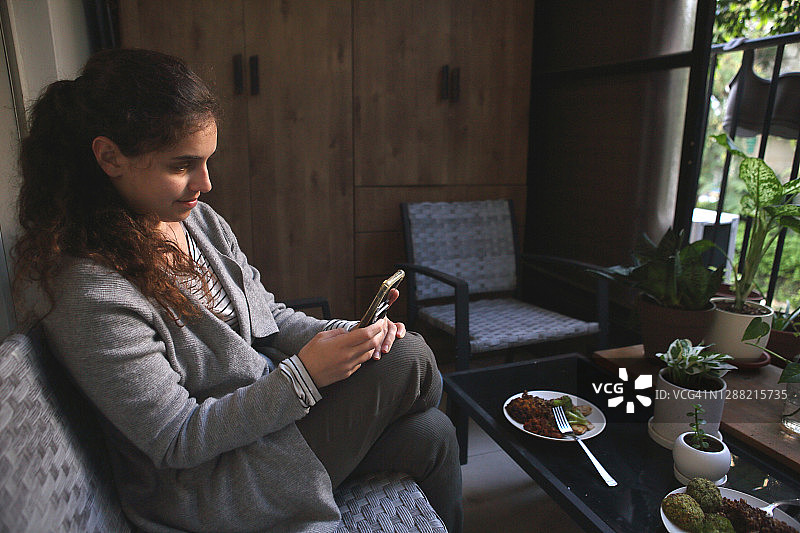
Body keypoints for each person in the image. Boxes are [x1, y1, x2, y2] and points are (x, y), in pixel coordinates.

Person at [12, 48, 462, 533]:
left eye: (207, 161)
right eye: (182, 165)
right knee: (410, 358)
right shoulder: (89, 288)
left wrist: (351, 334)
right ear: (109, 157)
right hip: (210, 484)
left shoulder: (197, 222)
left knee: (432, 434)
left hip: (269, 429)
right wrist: (305, 377)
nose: (205, 183)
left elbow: (269, 317)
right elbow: (176, 438)